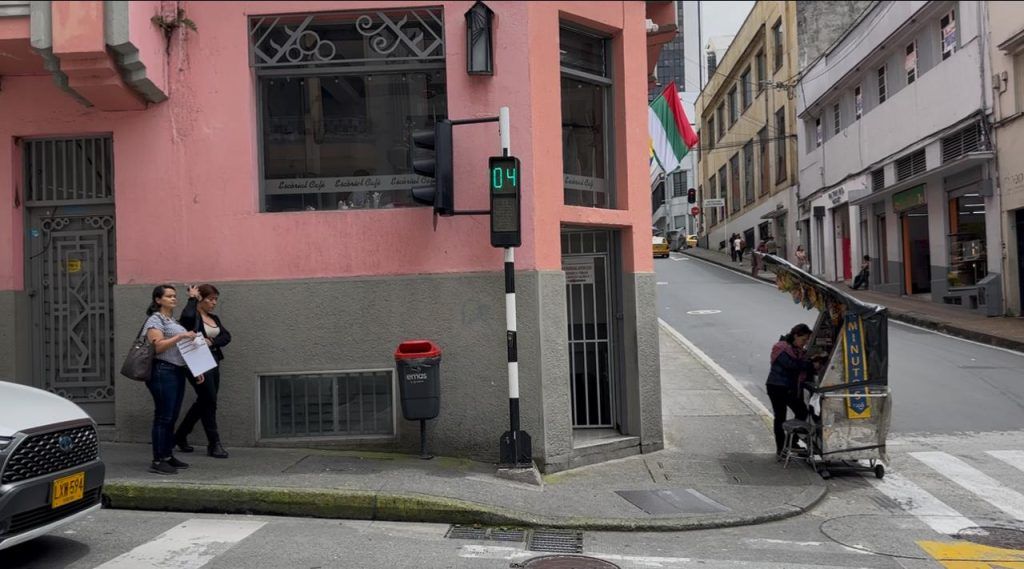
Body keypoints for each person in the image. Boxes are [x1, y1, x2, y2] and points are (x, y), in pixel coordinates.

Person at [142, 285, 202, 475]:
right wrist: (180, 335)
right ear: (158, 300)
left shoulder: (171, 320)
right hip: (162, 371)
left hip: (176, 371)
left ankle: (167, 456)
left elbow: (180, 350)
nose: (173, 299)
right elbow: (157, 347)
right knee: (163, 416)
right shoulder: (155, 320)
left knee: (172, 416)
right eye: (169, 296)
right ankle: (158, 460)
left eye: (175, 296)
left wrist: (195, 368)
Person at [175, 284, 232, 459]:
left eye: (216, 299)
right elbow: (185, 317)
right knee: (209, 400)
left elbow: (226, 336)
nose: (214, 303)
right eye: (210, 299)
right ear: (201, 299)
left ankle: (180, 435)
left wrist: (212, 342)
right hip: (196, 361)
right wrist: (192, 298)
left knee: (207, 400)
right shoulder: (193, 317)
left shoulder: (214, 318)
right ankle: (214, 443)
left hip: (213, 360)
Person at [765, 323, 818, 459]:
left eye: (807, 340)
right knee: (780, 416)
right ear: (796, 335)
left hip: (789, 388)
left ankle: (792, 442)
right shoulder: (781, 347)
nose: (805, 343)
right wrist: (811, 365)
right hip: (777, 387)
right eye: (803, 339)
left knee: (802, 411)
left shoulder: (797, 350)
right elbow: (792, 365)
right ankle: (782, 447)